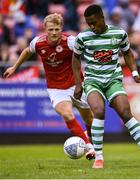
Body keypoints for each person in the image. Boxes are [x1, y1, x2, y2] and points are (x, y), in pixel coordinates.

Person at [72, 4, 140, 169]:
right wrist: (78, 84)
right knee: (98, 111)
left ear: (102, 18)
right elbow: (75, 59)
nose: (91, 26)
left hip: (113, 80)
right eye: (88, 23)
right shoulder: (83, 37)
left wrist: (135, 74)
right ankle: (99, 158)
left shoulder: (119, 33)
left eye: (93, 22)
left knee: (126, 113)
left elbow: (127, 53)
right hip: (93, 80)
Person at [3, 13, 95, 160]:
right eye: (51, 29)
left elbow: (88, 50)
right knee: (67, 114)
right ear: (45, 29)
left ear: (61, 28)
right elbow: (27, 51)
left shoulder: (70, 41)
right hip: (56, 88)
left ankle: (88, 137)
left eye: (57, 29)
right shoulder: (38, 43)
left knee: (89, 119)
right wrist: (14, 67)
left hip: (76, 85)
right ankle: (88, 146)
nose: (54, 33)